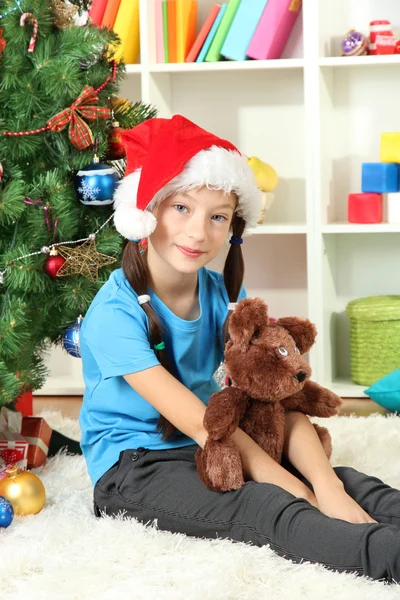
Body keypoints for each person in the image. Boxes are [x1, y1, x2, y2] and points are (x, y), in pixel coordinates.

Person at [79, 115, 400, 584]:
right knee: (268, 504)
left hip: (222, 438)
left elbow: (273, 399)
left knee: (347, 481)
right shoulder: (114, 313)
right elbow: (197, 422)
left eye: (217, 217)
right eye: (182, 208)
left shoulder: (223, 295)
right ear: (147, 210)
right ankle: (384, 556)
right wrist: (303, 494)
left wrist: (327, 485)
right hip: (137, 465)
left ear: (232, 227)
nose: (197, 232)